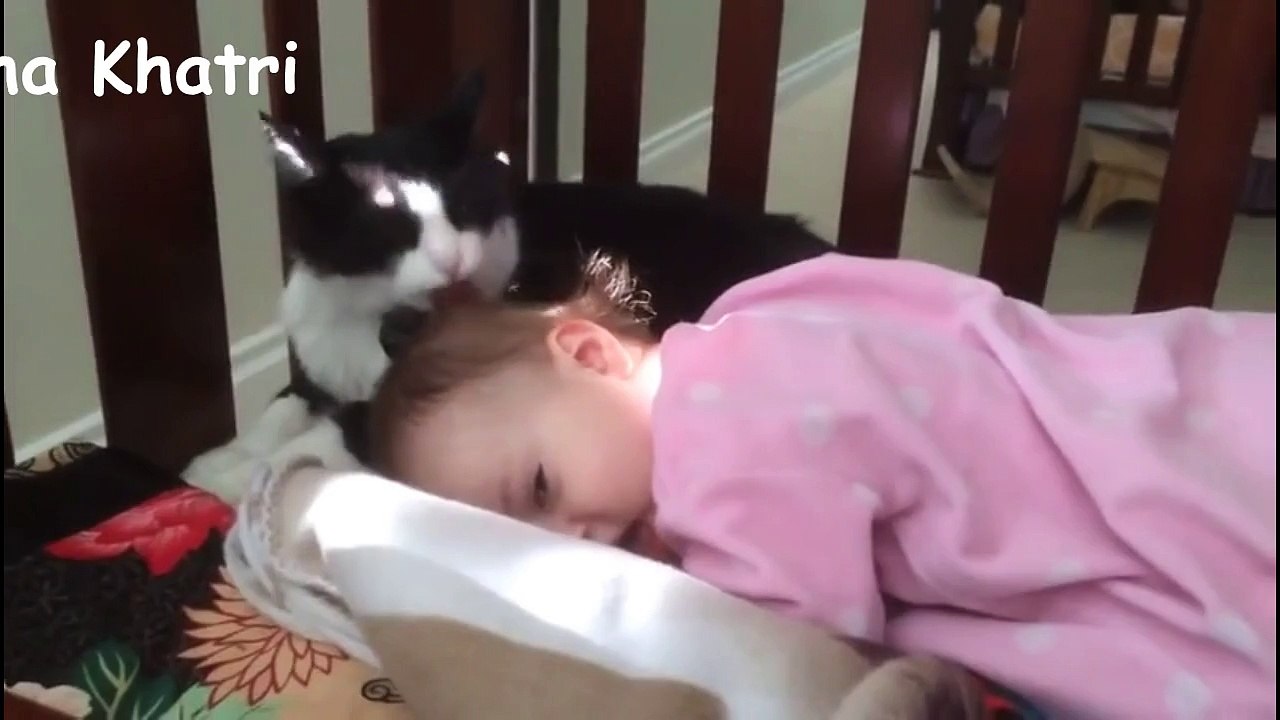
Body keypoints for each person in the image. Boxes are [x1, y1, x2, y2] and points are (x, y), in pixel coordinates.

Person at [366, 251, 1277, 719]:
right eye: (535, 541)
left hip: (1154, 477)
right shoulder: (747, 324)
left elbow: (787, 650)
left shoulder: (719, 431)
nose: (578, 541)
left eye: (538, 487)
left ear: (591, 352)